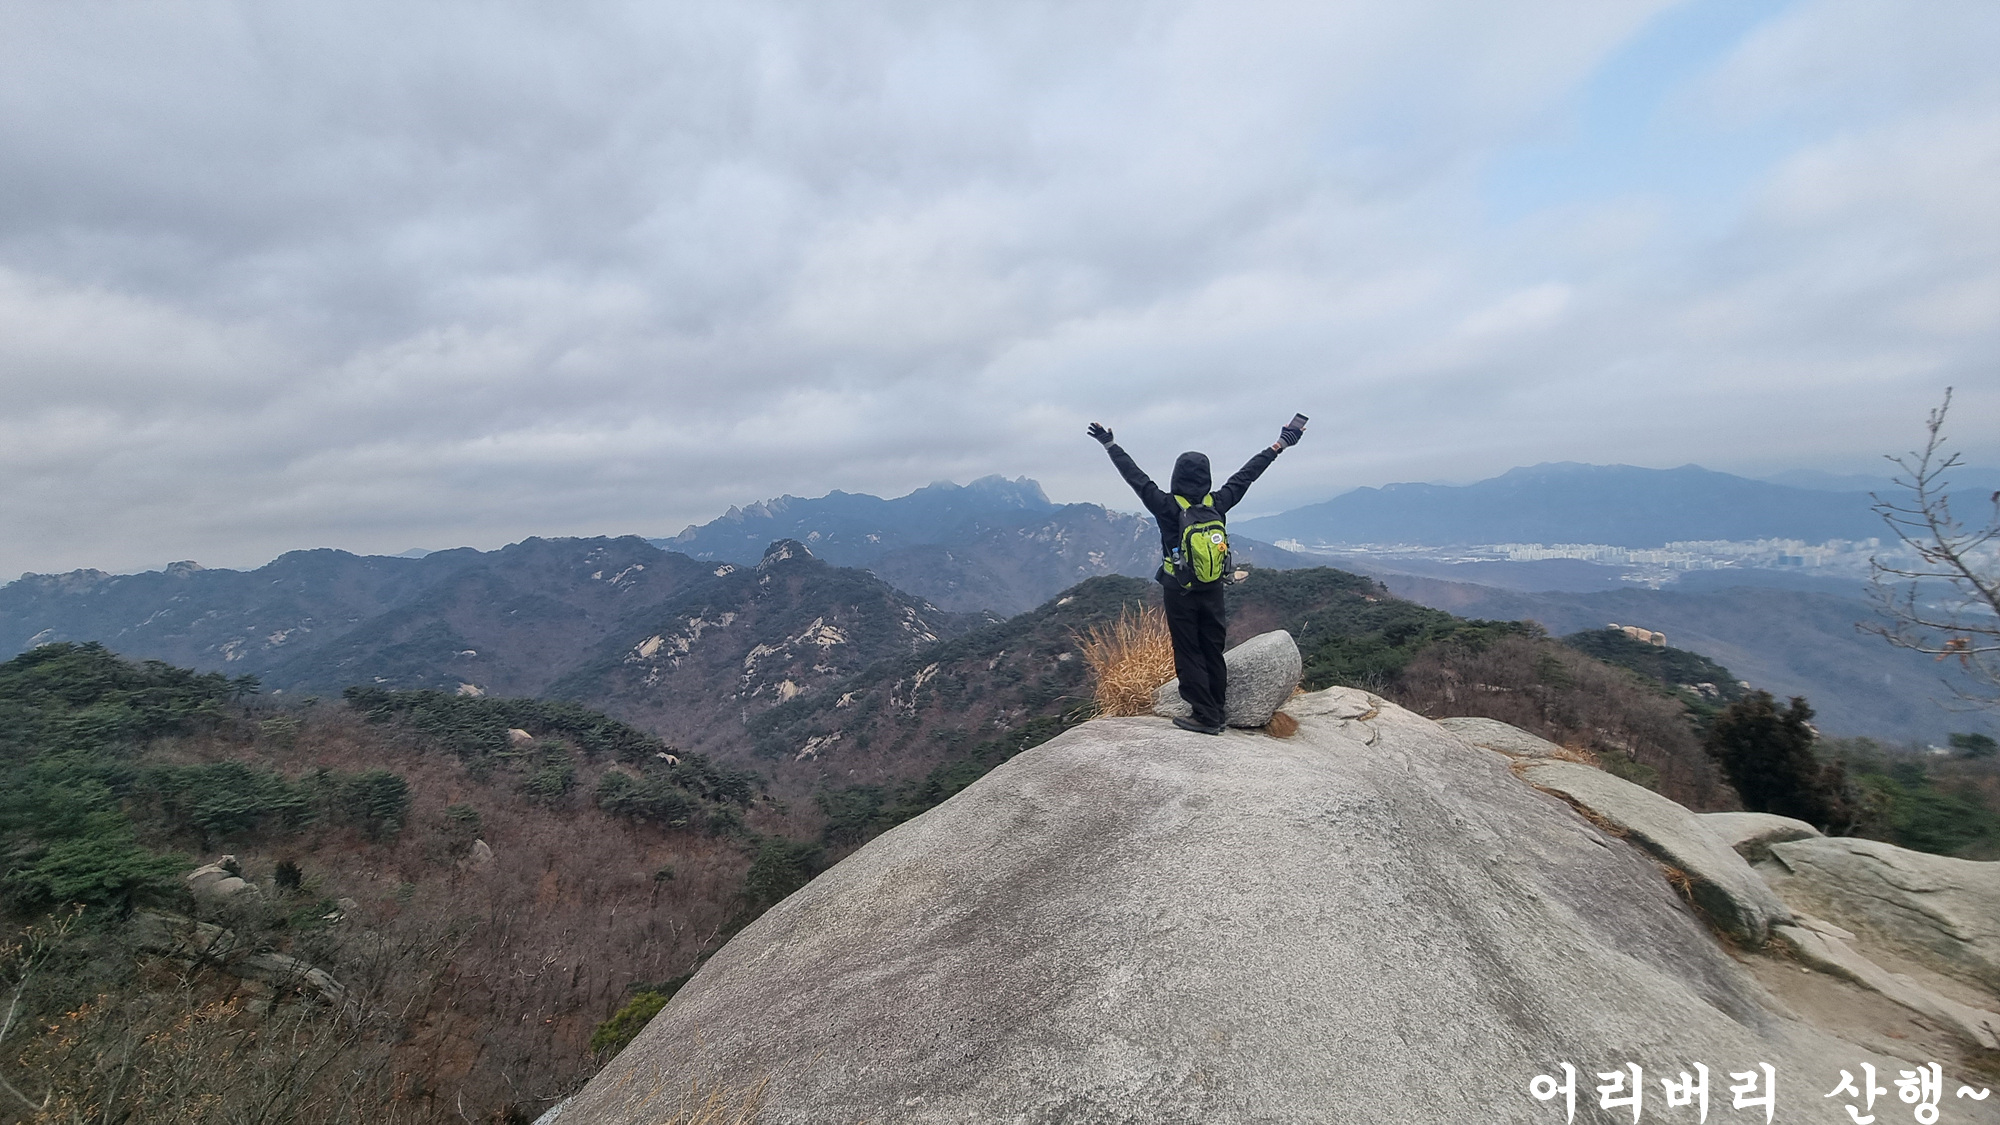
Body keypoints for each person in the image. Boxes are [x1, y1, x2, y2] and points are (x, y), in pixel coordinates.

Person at [1088, 416, 1304, 734]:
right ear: (1206, 478)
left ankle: (1205, 716)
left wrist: (1110, 445)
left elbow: (1136, 478)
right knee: (1212, 649)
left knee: (1188, 650)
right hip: (1213, 587)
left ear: (1177, 476)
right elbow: (1247, 475)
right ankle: (1217, 708)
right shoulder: (1217, 503)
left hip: (1179, 589)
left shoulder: (1166, 505)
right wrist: (1279, 444)